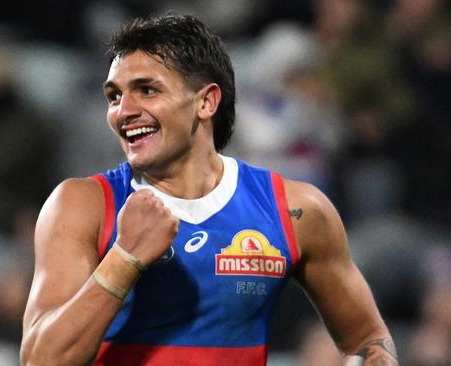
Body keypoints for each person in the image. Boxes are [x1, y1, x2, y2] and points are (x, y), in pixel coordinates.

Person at [20, 14, 398, 366]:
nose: (123, 111)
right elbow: (39, 360)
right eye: (114, 96)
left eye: (146, 90)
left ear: (206, 101)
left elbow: (367, 339)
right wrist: (124, 259)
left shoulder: (295, 210)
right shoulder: (82, 205)